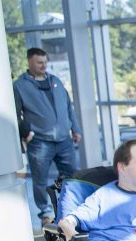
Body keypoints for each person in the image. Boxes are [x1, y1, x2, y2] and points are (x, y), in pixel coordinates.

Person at [14, 47, 82, 226]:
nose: (44, 66)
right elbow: (16, 113)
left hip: (64, 140)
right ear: (30, 62)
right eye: (39, 62)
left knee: (71, 175)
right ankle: (46, 213)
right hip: (40, 142)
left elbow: (68, 107)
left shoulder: (56, 81)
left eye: (45, 62)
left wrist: (75, 129)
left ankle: (71, 209)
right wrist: (26, 132)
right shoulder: (20, 86)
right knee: (40, 180)